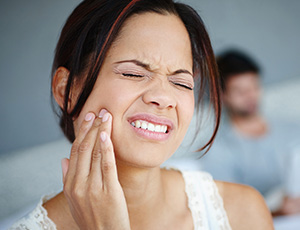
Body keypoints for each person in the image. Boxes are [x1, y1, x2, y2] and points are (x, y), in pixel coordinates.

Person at [10, 1, 273, 229]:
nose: (164, 97)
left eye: (181, 83)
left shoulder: (242, 212)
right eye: (133, 73)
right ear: (67, 90)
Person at [201, 50, 300, 216]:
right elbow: (230, 211)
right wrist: (278, 212)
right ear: (222, 95)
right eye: (240, 91)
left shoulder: (292, 130)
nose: (251, 96)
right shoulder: (219, 150)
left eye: (254, 87)